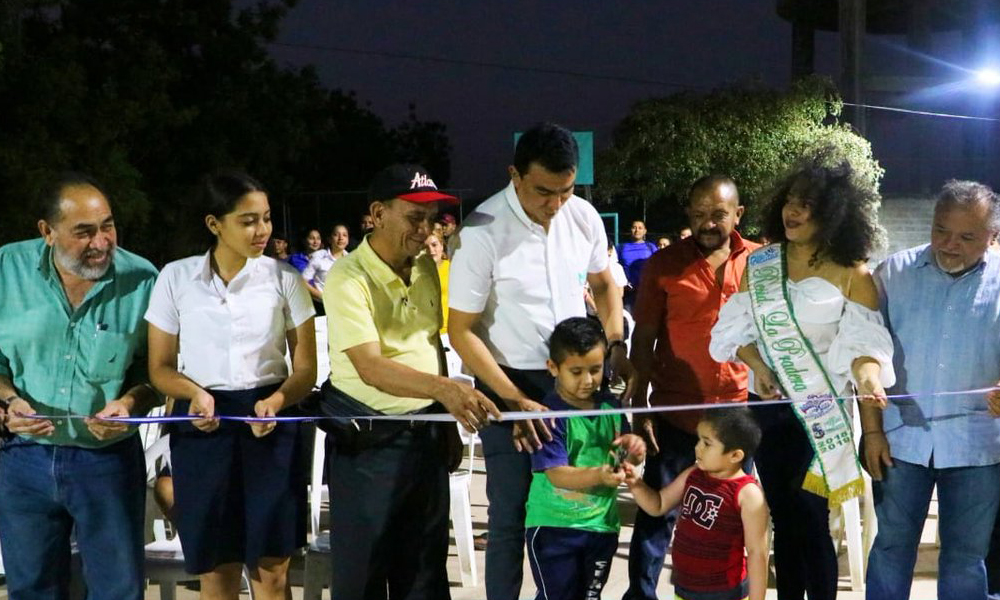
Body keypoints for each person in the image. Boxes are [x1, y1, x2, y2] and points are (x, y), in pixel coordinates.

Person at [448, 122, 633, 600]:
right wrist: (514, 400)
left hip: (578, 382)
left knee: (583, 501)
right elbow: (461, 330)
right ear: (514, 174)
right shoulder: (482, 231)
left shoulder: (583, 217)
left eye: (565, 191)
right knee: (510, 513)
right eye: (544, 192)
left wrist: (615, 344)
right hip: (509, 382)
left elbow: (605, 284)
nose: (555, 204)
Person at [710, 154, 894, 600]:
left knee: (812, 518)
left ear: (832, 212)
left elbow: (864, 347)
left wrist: (870, 379)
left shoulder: (854, 273)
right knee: (783, 517)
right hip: (767, 411)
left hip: (821, 411)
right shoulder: (761, 264)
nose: (793, 211)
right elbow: (735, 331)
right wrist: (758, 366)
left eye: (807, 204)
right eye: (790, 201)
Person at [322, 163, 501, 600]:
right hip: (368, 446)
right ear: (377, 214)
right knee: (363, 577)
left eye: (432, 219)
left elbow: (432, 345)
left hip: (425, 442)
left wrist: (444, 419)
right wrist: (448, 391)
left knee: (424, 575)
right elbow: (370, 366)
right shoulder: (348, 277)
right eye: (415, 218)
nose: (426, 231)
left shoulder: (424, 268)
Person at [145, 171, 317, 600]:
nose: (262, 230)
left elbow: (306, 369)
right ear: (214, 224)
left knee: (272, 571)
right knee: (216, 572)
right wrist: (193, 394)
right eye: (248, 221)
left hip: (270, 420)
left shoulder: (284, 278)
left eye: (267, 218)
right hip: (203, 423)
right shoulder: (176, 278)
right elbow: (160, 368)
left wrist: (277, 400)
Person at [0, 172, 159, 599]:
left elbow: (155, 371)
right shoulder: (6, 269)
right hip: (22, 459)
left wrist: (129, 403)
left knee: (117, 591)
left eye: (108, 226)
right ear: (47, 232)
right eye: (84, 232)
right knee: (31, 589)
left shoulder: (143, 279)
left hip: (107, 462)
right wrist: (9, 399)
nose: (101, 242)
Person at [623, 175, 758, 600]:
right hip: (676, 414)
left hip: (737, 418)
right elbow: (643, 339)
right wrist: (641, 408)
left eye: (718, 214)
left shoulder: (761, 261)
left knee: (736, 518)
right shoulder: (663, 265)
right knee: (656, 517)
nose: (708, 223)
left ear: (738, 214)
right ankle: (641, 596)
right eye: (698, 214)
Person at [866, 180, 1000, 600]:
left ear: (992, 236)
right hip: (899, 444)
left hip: (978, 448)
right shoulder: (892, 274)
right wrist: (871, 431)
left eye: (966, 237)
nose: (949, 245)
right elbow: (864, 356)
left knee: (965, 558)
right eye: (941, 230)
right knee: (891, 549)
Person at [526, 317, 646, 600]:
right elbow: (556, 474)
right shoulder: (548, 415)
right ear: (553, 367)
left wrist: (633, 449)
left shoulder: (610, 407)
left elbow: (620, 457)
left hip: (602, 526)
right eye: (576, 371)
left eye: (595, 369)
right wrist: (600, 475)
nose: (588, 380)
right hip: (555, 528)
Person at [625, 408, 769, 600]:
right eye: (699, 440)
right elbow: (658, 505)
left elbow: (757, 553)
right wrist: (635, 483)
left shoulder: (748, 494)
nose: (697, 447)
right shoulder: (694, 474)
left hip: (724, 594)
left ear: (735, 455)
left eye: (707, 443)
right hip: (684, 589)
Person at [302, 223, 350, 306]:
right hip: (322, 306)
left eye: (344, 235)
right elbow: (302, 282)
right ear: (329, 239)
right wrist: (321, 296)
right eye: (336, 235)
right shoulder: (319, 257)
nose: (341, 238)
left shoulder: (351, 259)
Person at [616, 220, 658, 309]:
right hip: (628, 292)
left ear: (645, 231)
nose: (637, 230)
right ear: (630, 230)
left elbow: (657, 267)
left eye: (640, 228)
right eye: (634, 228)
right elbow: (615, 268)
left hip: (647, 291)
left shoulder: (651, 247)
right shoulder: (621, 248)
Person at [425, 233, 450, 334]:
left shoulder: (452, 269)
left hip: (449, 330)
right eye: (426, 247)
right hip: (427, 332)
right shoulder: (418, 272)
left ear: (442, 246)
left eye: (434, 245)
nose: (431, 250)